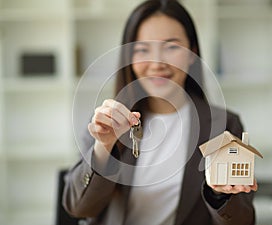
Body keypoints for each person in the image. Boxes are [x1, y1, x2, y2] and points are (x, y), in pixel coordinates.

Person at [62, 0, 258, 224]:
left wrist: (220, 195)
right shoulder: (108, 122)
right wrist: (104, 147)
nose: (157, 63)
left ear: (192, 53)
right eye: (143, 49)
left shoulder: (223, 125)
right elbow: (77, 207)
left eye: (172, 47)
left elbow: (243, 220)